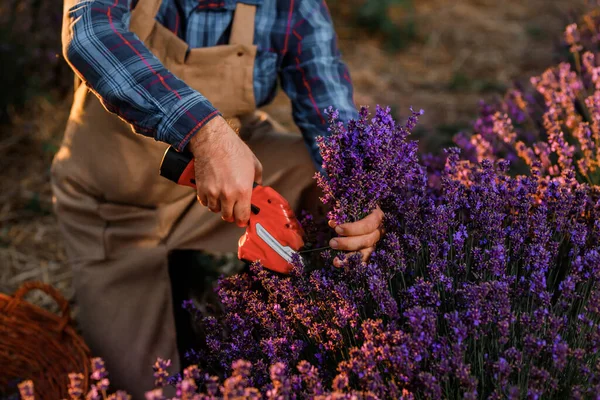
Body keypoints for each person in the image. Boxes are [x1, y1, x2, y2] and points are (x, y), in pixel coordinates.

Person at [52, 0, 384, 397]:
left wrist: (358, 195)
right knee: (143, 389)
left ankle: (308, 316)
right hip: (113, 209)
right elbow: (90, 33)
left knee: (324, 180)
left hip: (224, 186)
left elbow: (331, 118)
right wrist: (205, 132)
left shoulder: (296, 7)